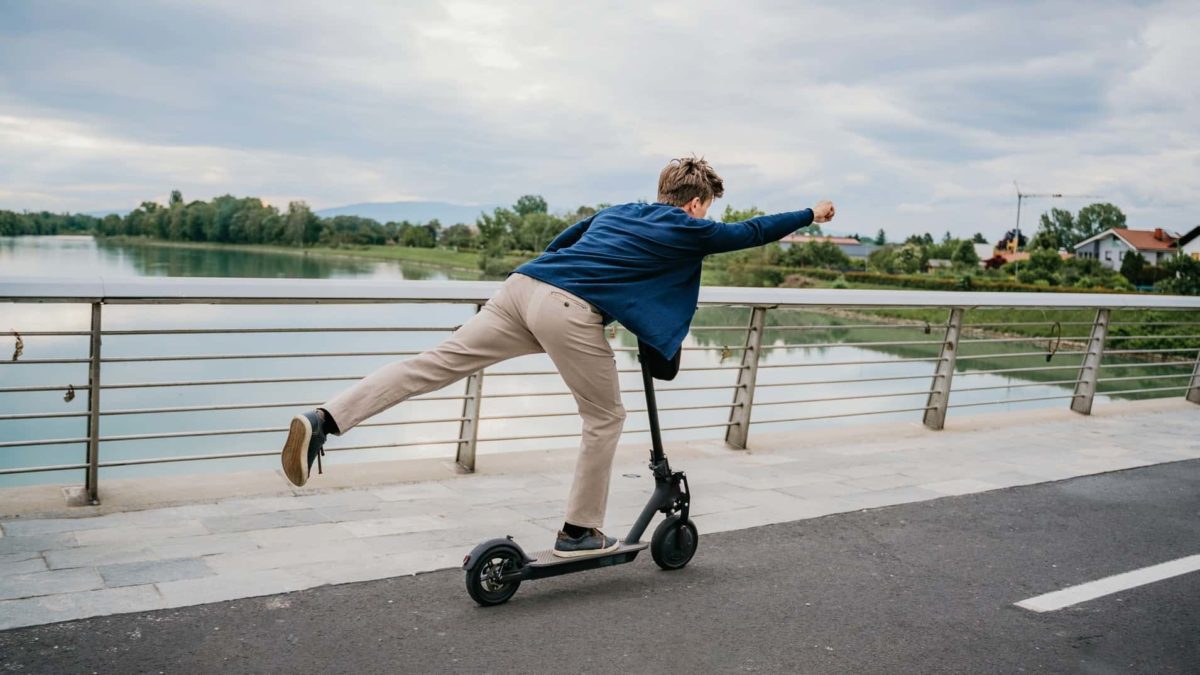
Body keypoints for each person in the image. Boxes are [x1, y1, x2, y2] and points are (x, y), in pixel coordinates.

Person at [280, 156, 835, 557]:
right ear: (695, 204)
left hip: (522, 287)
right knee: (606, 416)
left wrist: (536, 295)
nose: (705, 217)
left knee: (432, 365)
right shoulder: (687, 227)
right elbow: (752, 231)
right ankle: (579, 531)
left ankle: (325, 417)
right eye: (706, 209)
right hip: (566, 307)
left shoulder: (619, 211)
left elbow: (562, 243)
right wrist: (810, 212)